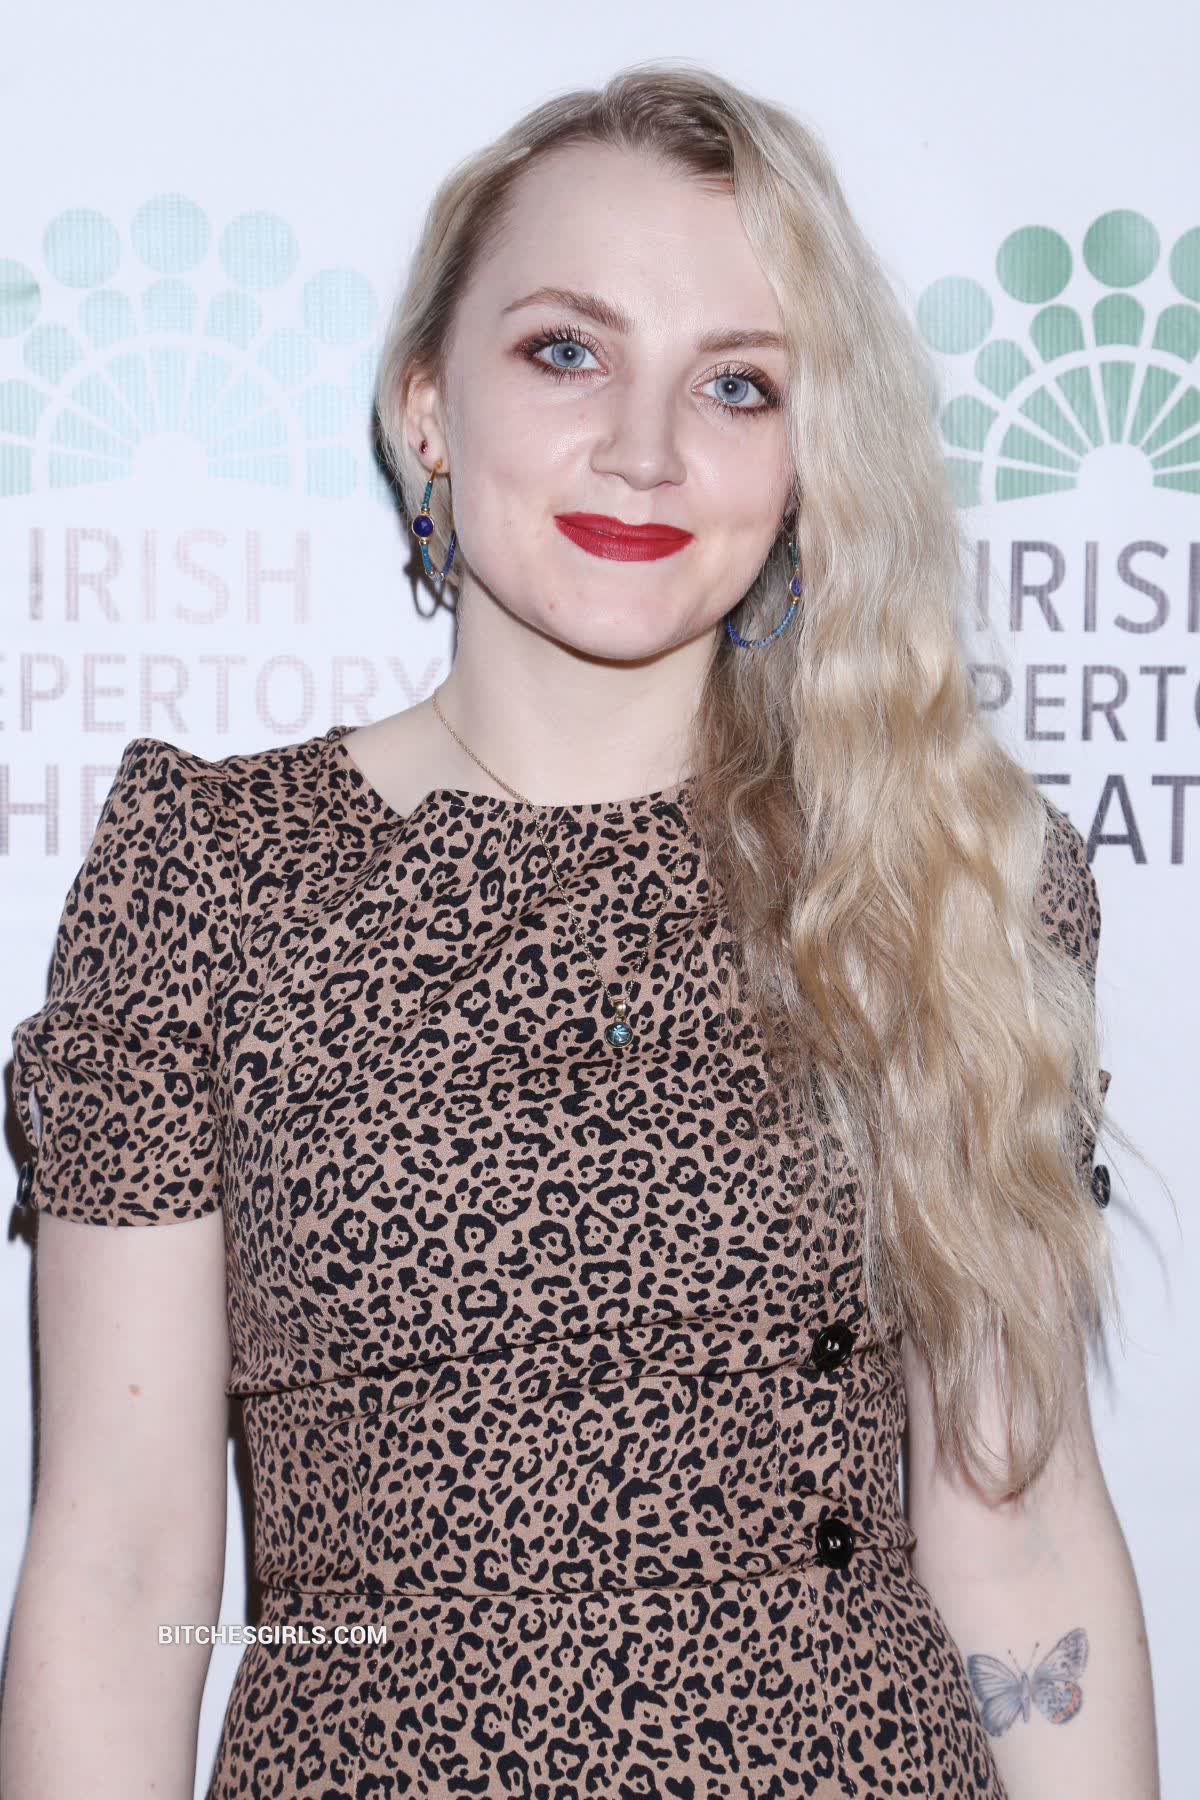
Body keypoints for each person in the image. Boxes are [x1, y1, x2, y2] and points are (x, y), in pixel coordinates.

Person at [2, 60, 1160, 1800]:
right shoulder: (214, 883)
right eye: (567, 351)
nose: (646, 448)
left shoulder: (939, 880)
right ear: (427, 405)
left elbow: (1024, 1539)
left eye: (739, 384)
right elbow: (121, 1568)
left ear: (809, 457)